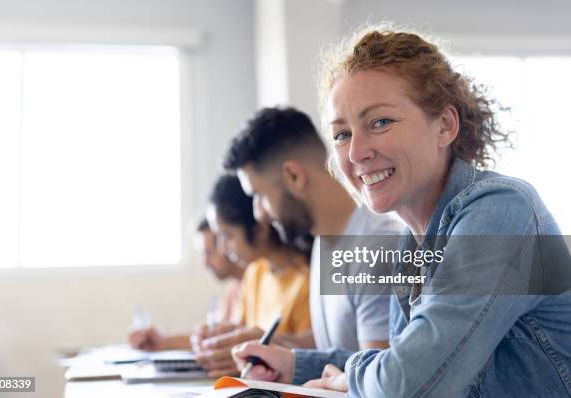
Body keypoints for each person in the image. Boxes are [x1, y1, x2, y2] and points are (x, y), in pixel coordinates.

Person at [233, 27, 571, 397]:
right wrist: (295, 365)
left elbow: (408, 383)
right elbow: (404, 360)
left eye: (380, 122)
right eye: (342, 134)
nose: (356, 152)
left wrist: (352, 377)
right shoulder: (413, 241)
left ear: (445, 125)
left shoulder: (503, 212)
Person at [223, 106, 401, 384]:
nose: (259, 214)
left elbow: (377, 380)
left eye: (259, 195)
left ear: (293, 176)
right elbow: (342, 340)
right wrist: (276, 346)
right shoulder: (323, 239)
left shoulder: (377, 247)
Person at [193, 174, 312, 378]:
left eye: (228, 235)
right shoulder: (255, 273)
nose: (223, 247)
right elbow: (241, 332)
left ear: (259, 229)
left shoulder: (308, 278)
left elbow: (314, 357)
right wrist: (221, 339)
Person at [127, 218, 245, 351]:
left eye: (209, 253)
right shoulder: (234, 289)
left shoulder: (256, 285)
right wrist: (162, 341)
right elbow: (213, 339)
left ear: (227, 243)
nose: (205, 263)